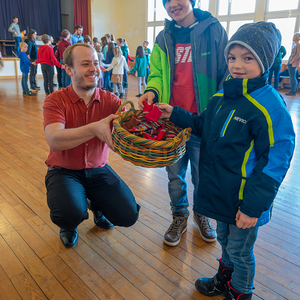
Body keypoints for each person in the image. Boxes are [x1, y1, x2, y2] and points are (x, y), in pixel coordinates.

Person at [158, 21, 295, 300]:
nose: (237, 65)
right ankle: (226, 280)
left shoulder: (270, 106)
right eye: (232, 57)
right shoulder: (221, 97)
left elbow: (276, 161)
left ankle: (240, 292)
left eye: (248, 58)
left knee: (240, 250)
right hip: (222, 193)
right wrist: (175, 113)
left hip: (246, 200)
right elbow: (201, 126)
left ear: (265, 61)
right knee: (224, 240)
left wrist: (253, 207)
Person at [138, 0, 228, 247]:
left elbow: (225, 74)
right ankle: (179, 216)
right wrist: (152, 91)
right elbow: (155, 72)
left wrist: (218, 113)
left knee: (202, 177)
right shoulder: (163, 36)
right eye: (167, 1)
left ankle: (201, 214)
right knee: (175, 177)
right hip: (171, 122)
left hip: (201, 123)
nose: (173, 4)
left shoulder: (213, 30)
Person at [43, 43, 140, 248]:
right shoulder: (55, 100)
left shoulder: (111, 100)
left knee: (128, 214)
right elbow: (55, 140)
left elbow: (131, 127)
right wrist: (94, 129)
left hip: (98, 169)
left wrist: (145, 116)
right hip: (64, 171)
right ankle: (69, 225)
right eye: (85, 64)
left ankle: (96, 205)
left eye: (95, 63)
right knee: (69, 212)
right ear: (69, 69)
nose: (94, 68)